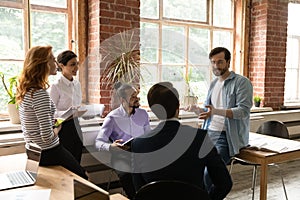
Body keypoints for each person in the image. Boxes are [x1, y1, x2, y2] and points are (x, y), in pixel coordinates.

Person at [131, 82, 232, 200]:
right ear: (178, 106)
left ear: (153, 110)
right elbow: (224, 183)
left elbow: (139, 190)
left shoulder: (138, 144)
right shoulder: (200, 138)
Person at [16, 45, 88, 179]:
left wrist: (51, 122)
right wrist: (57, 128)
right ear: (42, 64)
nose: (56, 63)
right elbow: (47, 136)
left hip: (35, 150)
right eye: (52, 59)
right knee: (83, 178)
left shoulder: (28, 91)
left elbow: (32, 127)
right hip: (49, 151)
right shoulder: (39, 94)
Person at [95, 82, 151, 199]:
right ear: (122, 100)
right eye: (133, 97)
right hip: (122, 157)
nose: (137, 99)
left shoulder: (143, 114)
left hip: (141, 155)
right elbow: (98, 142)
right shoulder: (112, 118)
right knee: (128, 176)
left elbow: (148, 135)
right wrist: (111, 147)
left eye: (137, 95)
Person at [49, 50, 83, 163]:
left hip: (76, 125)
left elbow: (77, 105)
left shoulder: (77, 84)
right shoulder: (56, 86)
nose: (76, 67)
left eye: (77, 63)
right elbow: (51, 112)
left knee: (77, 160)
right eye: (72, 64)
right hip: (63, 128)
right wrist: (68, 112)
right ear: (61, 65)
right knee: (66, 163)